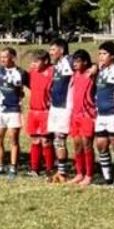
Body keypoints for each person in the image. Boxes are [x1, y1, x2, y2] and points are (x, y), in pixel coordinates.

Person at [93, 42, 114, 186]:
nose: (101, 56)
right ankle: (107, 177)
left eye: (104, 54)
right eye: (100, 53)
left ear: (113, 56)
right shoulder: (101, 70)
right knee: (101, 144)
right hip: (101, 113)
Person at [0, 47, 25, 178]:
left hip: (14, 110)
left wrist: (20, 93)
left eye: (5, 56)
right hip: (0, 110)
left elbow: (29, 86)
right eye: (1, 57)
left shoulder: (21, 72)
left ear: (13, 57)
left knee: (13, 140)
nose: (2, 59)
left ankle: (13, 168)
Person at [46, 39, 74, 183]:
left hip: (65, 107)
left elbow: (87, 64)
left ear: (61, 50)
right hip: (55, 107)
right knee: (57, 139)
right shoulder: (57, 64)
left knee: (61, 138)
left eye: (53, 49)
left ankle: (64, 172)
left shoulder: (70, 60)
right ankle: (61, 171)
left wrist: (94, 68)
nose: (50, 53)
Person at [68, 49, 96, 186]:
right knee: (77, 145)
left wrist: (95, 66)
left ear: (85, 62)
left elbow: (99, 66)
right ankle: (79, 173)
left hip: (87, 115)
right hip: (75, 115)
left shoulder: (91, 74)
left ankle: (89, 175)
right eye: (74, 61)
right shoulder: (74, 74)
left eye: (78, 61)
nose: (74, 64)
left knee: (87, 145)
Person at [25, 49, 55, 177]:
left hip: (46, 111)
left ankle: (50, 168)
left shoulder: (52, 71)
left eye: (37, 61)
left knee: (46, 141)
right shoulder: (32, 72)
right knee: (35, 140)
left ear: (46, 61)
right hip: (33, 111)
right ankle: (34, 168)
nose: (34, 64)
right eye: (33, 62)